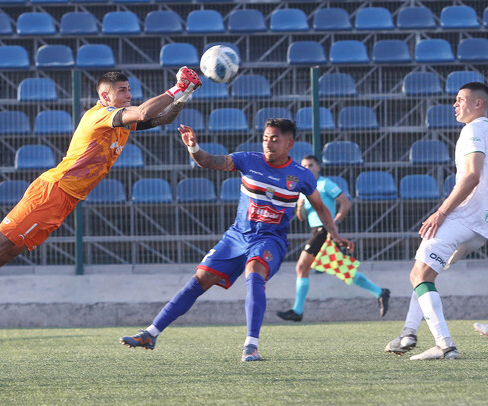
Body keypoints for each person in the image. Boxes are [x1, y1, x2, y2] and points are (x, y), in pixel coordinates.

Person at [0, 69, 202, 339]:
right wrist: (175, 88)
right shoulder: (100, 115)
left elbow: (160, 118)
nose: (128, 94)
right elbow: (146, 113)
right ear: (104, 96)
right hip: (52, 192)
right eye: (122, 91)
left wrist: (184, 95)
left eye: (128, 90)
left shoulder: (120, 122)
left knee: (7, 252)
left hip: (66, 199)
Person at [120, 118, 354, 361]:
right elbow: (209, 162)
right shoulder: (247, 160)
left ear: (289, 143)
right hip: (236, 237)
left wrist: (334, 234)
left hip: (269, 240)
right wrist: (193, 147)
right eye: (265, 138)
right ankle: (151, 333)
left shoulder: (301, 176)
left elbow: (321, 208)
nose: (268, 144)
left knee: (254, 272)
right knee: (199, 280)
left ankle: (251, 345)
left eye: (275, 139)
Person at [385, 82, 488, 360]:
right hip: (481, 228)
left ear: (478, 104)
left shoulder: (473, 131)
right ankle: (408, 332)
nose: (455, 104)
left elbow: (472, 175)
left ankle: (444, 345)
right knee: (424, 273)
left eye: (460, 99)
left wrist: (441, 212)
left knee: (419, 274)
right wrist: (486, 211)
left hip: (463, 218)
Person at [276, 155, 390, 323]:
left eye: (310, 165)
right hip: (316, 231)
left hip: (325, 231)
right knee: (342, 268)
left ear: (318, 167)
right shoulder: (304, 188)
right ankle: (380, 292)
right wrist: (300, 208)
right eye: (304, 165)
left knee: (302, 267)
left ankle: (297, 311)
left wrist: (334, 223)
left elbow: (345, 202)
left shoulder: (325, 184)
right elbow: (301, 217)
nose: (307, 168)